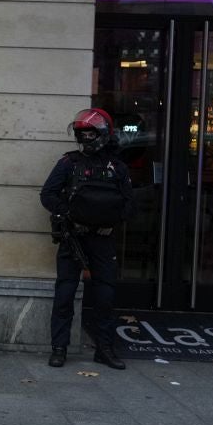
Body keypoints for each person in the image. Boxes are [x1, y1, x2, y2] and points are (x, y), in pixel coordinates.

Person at [39, 108, 133, 370]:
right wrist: (69, 216)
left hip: (103, 241)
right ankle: (59, 347)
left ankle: (104, 348)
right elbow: (48, 194)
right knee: (65, 294)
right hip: (74, 238)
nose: (86, 139)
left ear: (102, 135)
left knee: (105, 296)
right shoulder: (69, 163)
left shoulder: (117, 168)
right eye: (83, 134)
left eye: (91, 133)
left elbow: (130, 204)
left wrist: (110, 224)